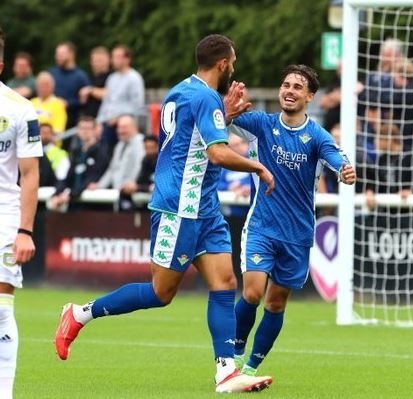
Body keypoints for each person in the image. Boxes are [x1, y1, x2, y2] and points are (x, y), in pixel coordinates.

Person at [54, 34, 275, 393]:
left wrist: (226, 115)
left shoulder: (182, 91)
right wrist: (259, 168)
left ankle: (226, 372)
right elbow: (217, 154)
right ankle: (79, 314)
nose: (233, 66)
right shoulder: (206, 97)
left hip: (204, 207)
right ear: (222, 63)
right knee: (161, 293)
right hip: (179, 208)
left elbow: (190, 140)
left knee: (225, 283)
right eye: (231, 61)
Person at [225, 64, 356, 377]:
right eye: (286, 85)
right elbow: (219, 119)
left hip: (297, 234)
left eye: (298, 87)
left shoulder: (317, 136)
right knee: (253, 292)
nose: (290, 91)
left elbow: (337, 158)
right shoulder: (260, 123)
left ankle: (252, 367)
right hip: (261, 225)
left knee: (276, 303)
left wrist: (345, 170)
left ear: (310, 96)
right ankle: (234, 351)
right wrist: (226, 108)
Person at [0, 26, 43, 398]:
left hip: (3, 218)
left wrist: (25, 230)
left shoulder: (19, 108)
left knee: (0, 310)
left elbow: (30, 174)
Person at [48, 41, 90, 129]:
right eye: (57, 54)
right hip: (51, 121)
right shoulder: (51, 74)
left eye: (61, 54)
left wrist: (68, 103)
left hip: (72, 122)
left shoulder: (81, 77)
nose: (57, 57)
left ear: (71, 54)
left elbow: (84, 102)